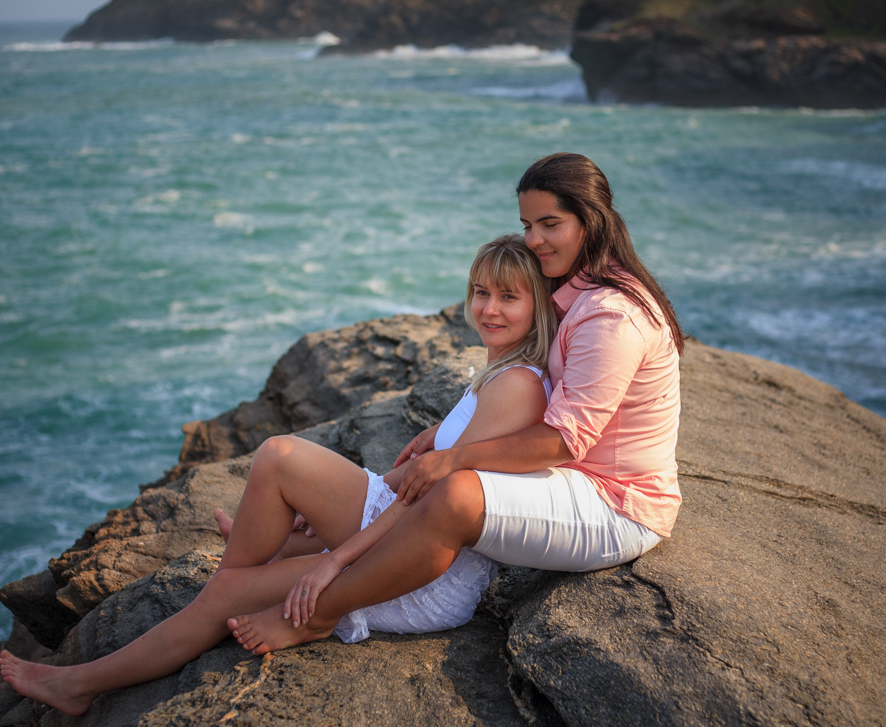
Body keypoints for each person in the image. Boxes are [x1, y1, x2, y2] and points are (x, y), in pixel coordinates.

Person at [0, 234, 557, 717]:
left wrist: (335, 558)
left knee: (230, 588)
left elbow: (433, 505)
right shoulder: (499, 368)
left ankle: (81, 684)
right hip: (405, 524)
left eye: (509, 297)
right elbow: (420, 480)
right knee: (279, 455)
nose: (489, 309)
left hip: (425, 573)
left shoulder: (516, 386)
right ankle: (255, 563)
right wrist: (355, 500)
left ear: (540, 306)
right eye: (481, 292)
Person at [227, 152, 684, 654]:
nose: (534, 240)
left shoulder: (611, 316)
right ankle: (285, 547)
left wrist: (455, 455)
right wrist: (448, 436)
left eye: (550, 224)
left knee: (454, 490)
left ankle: (319, 613)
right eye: (527, 225)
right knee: (435, 470)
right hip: (577, 475)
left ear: (591, 220)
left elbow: (564, 440)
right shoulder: (577, 286)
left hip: (619, 504)